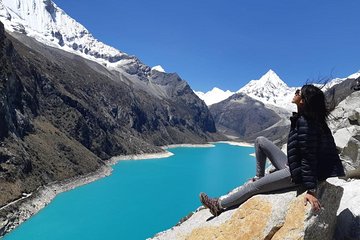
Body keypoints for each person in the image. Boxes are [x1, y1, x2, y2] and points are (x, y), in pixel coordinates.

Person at [199, 84, 345, 217]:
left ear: (303, 101)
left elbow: (309, 157)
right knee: (260, 141)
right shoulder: (304, 118)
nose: (295, 92)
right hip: (295, 166)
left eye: (299, 92)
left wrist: (311, 190)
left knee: (253, 187)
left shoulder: (306, 122)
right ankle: (259, 176)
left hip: (298, 174)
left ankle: (218, 205)